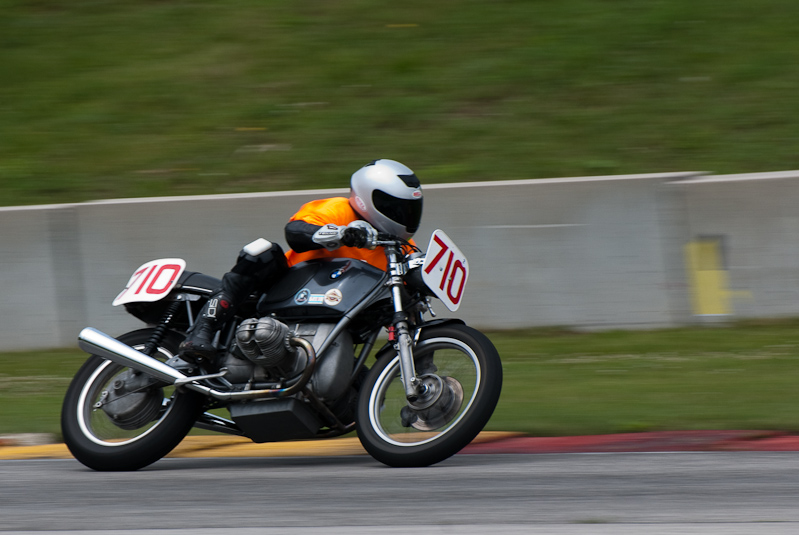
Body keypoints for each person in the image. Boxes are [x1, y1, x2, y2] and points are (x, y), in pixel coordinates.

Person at [178, 159, 424, 362]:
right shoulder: (339, 210)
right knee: (262, 252)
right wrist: (342, 233)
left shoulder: (399, 249)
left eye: (410, 209)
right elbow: (296, 231)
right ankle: (202, 331)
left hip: (334, 324)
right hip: (284, 291)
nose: (404, 216)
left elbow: (409, 302)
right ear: (367, 198)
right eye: (396, 207)